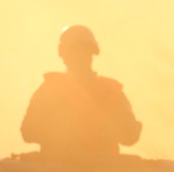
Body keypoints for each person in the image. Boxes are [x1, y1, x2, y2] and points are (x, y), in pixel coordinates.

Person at [20, 24, 142, 156]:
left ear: (62, 54)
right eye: (76, 52)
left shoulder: (49, 89)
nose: (80, 56)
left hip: (62, 166)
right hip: (99, 167)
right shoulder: (112, 90)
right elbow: (130, 136)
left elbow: (28, 132)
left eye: (82, 51)